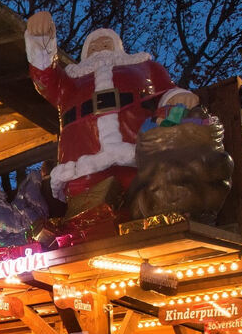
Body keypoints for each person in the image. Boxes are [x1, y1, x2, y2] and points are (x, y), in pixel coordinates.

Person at [24, 11, 198, 211]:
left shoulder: (144, 69)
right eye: (94, 47)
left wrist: (177, 98)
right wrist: (41, 39)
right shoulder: (69, 83)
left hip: (135, 155)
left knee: (145, 204)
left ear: (118, 48)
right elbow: (45, 78)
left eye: (106, 45)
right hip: (83, 161)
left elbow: (165, 91)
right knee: (88, 212)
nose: (100, 50)